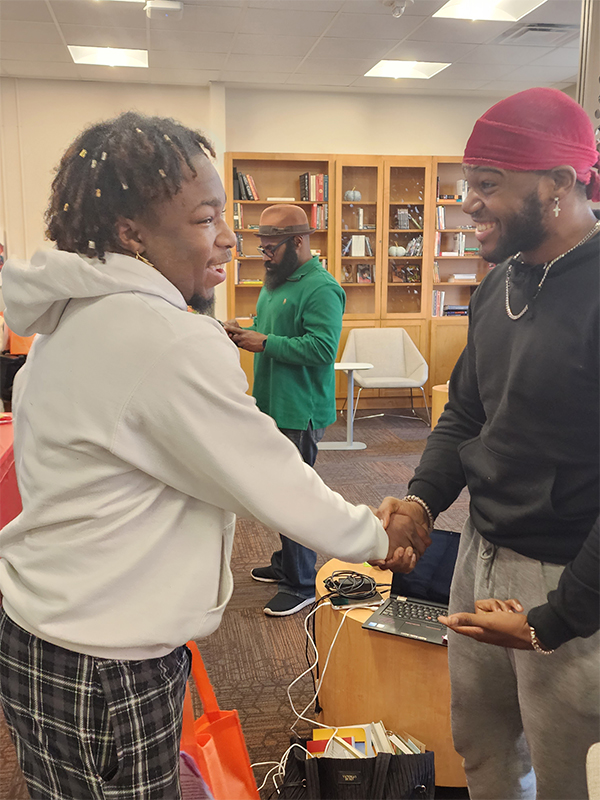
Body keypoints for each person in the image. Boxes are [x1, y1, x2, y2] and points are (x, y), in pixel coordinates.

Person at [0, 112, 425, 800]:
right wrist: (377, 535)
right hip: (105, 661)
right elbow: (270, 478)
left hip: (44, 635)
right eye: (206, 219)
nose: (230, 238)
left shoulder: (70, 316)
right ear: (132, 233)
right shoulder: (164, 337)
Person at [377, 88, 600, 800]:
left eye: (488, 184)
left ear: (561, 183)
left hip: (570, 577)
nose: (467, 201)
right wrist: (421, 500)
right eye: (467, 182)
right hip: (480, 554)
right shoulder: (498, 282)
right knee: (482, 749)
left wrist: (556, 619)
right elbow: (467, 413)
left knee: (571, 774)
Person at [224, 205, 345, 617]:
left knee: (293, 496)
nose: (265, 254)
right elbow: (271, 330)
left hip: (300, 410)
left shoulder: (321, 288)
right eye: (262, 246)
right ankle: (286, 563)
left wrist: (265, 343)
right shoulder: (275, 281)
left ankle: (302, 583)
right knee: (277, 491)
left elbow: (323, 349)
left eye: (272, 246)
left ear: (298, 241)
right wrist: (243, 332)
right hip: (272, 404)